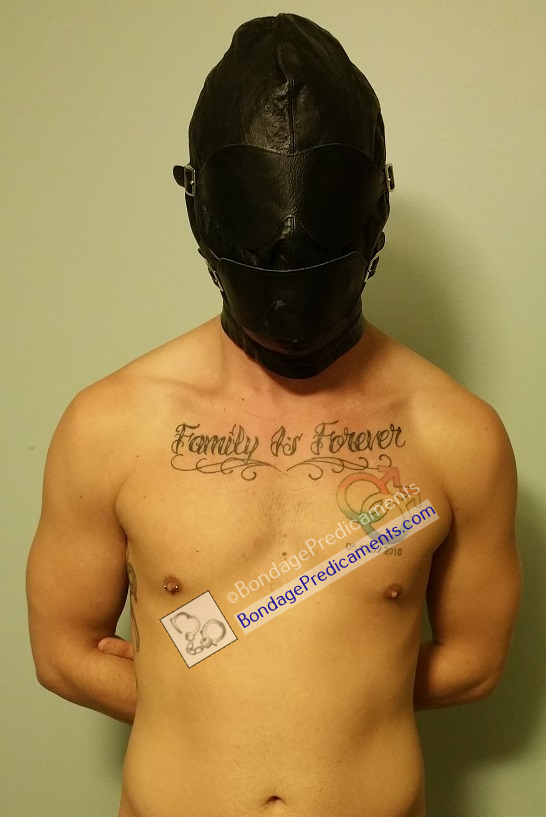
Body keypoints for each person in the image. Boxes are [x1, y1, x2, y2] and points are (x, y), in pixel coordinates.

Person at [26, 13, 521, 817]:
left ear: (375, 207)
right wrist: (223, 702)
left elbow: (475, 661)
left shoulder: (457, 433)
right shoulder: (112, 423)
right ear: (203, 219)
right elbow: (62, 651)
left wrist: (329, 699)